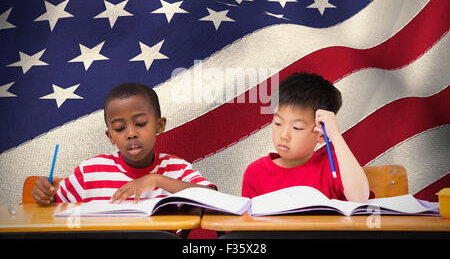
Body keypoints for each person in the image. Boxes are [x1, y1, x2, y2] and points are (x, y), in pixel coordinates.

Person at [32, 83, 215, 204]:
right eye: (120, 128)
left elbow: (214, 199)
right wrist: (44, 195)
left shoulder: (176, 169)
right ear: (110, 136)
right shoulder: (90, 172)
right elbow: (53, 207)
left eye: (141, 123)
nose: (131, 134)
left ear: (160, 125)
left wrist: (155, 179)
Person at [241, 72, 371, 202]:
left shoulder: (332, 166)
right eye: (278, 123)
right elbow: (248, 220)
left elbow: (359, 198)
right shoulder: (256, 173)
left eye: (297, 127)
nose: (284, 135)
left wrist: (335, 135)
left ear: (320, 134)